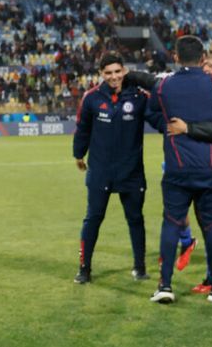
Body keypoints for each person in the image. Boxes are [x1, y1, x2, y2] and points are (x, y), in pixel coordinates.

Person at [143, 36, 212, 304]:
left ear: (176, 58)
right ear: (203, 58)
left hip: (178, 171)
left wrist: (167, 125)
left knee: (171, 224)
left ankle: (165, 285)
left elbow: (150, 111)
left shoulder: (164, 87)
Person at [73, 52, 149, 285]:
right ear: (101, 74)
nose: (114, 76)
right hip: (100, 171)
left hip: (131, 171)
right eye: (108, 73)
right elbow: (83, 129)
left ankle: (140, 267)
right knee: (93, 218)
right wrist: (78, 153)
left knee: (135, 219)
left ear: (124, 70)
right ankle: (84, 268)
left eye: (118, 71)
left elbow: (158, 117)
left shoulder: (139, 96)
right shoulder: (92, 98)